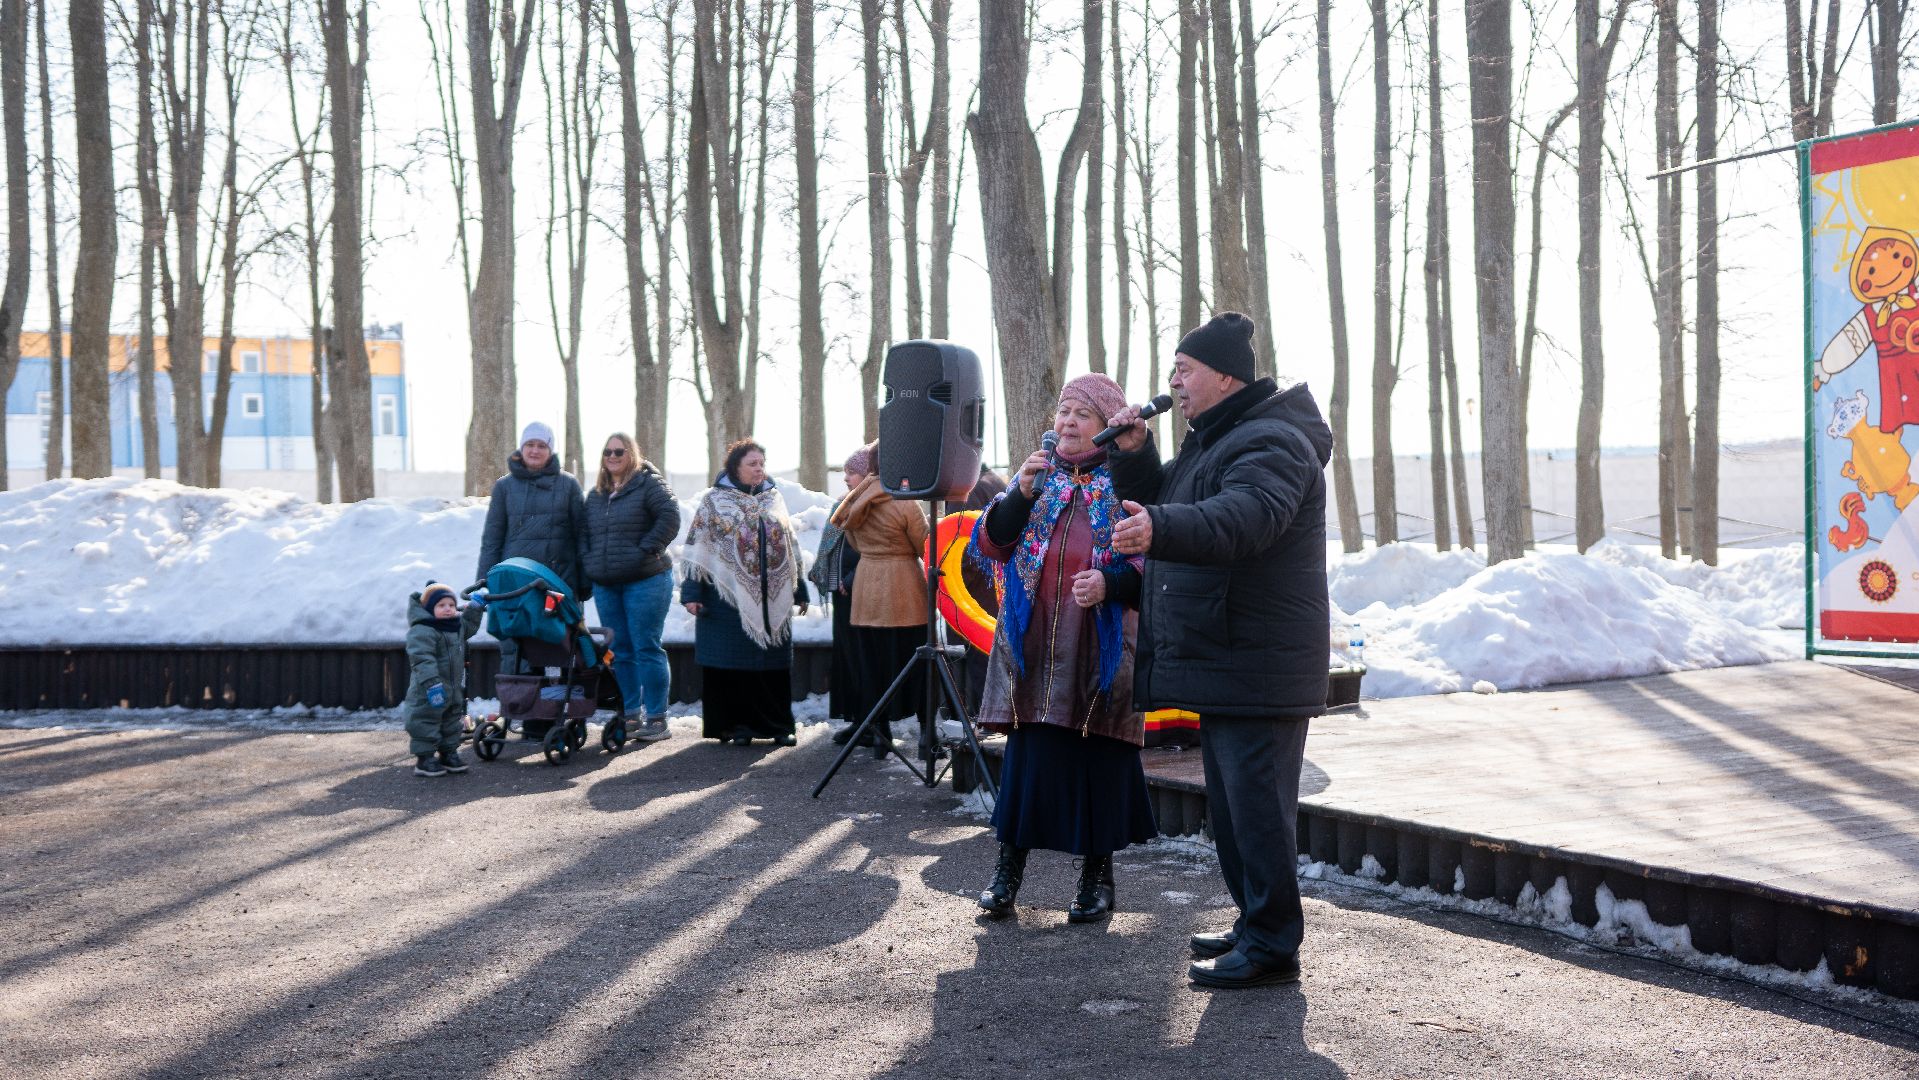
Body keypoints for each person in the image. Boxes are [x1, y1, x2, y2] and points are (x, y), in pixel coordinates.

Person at [1107, 311, 1334, 990]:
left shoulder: (1271, 441)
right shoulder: (1218, 441)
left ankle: (1271, 945)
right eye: (1173, 371)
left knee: (1257, 812)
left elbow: (1244, 518)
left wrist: (1159, 526)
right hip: (1229, 653)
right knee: (1235, 812)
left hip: (1257, 657)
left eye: (1185, 370)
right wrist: (1135, 453)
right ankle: (1255, 922)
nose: (1173, 382)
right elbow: (1167, 502)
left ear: (1226, 376)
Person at [970, 373, 1157, 923]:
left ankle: (1097, 878)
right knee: (1029, 762)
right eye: (1063, 411)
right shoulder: (1038, 478)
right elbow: (993, 543)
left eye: (1083, 414)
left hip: (1100, 645)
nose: (1068, 422)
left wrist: (1110, 583)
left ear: (1106, 428)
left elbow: (1153, 565)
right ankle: (1007, 871)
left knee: (1098, 757)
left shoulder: (1125, 485)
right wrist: (1020, 493)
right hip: (1033, 643)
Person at [680, 439, 811, 747]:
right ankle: (736, 727)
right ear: (735, 467)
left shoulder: (773, 498)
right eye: (752, 464)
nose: (759, 469)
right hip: (725, 598)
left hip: (771, 599)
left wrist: (800, 590)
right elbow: (697, 549)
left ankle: (778, 726)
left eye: (762, 463)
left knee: (772, 665)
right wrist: (692, 593)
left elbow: (789, 547)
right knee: (733, 664)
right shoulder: (714, 502)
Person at [829, 441, 931, 745]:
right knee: (918, 664)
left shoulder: (855, 500)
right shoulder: (904, 500)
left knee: (871, 667)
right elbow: (923, 545)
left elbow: (854, 542)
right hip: (903, 589)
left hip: (866, 590)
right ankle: (927, 734)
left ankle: (879, 732)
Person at [583, 432, 682, 743]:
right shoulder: (596, 495)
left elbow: (670, 516)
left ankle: (657, 719)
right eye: (607, 451)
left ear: (632, 454)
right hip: (607, 585)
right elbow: (584, 533)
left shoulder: (648, 483)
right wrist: (589, 560)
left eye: (619, 451)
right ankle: (630, 714)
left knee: (646, 647)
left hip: (646, 580)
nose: (612, 456)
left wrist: (645, 549)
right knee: (621, 651)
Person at [477, 422, 591, 679]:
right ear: (521, 448)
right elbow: (492, 539)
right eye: (530, 444)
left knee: (564, 647)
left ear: (550, 450)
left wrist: (584, 581)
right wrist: (485, 581)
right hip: (515, 586)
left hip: (558, 585)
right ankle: (519, 698)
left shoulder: (568, 485)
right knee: (516, 649)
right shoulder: (505, 487)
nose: (535, 450)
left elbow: (581, 536)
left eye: (541, 445)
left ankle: (567, 701)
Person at [810, 445, 871, 745]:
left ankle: (868, 724)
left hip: (861, 591)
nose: (846, 478)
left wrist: (852, 576)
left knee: (862, 659)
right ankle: (857, 720)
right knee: (848, 660)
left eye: (852, 472)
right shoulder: (844, 504)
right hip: (842, 593)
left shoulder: (870, 505)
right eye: (845, 472)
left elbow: (874, 548)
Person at [405, 581, 486, 777]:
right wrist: (432, 684)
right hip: (428, 688)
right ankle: (424, 759)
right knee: (426, 720)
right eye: (441, 605)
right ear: (428, 608)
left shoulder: (455, 626)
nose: (448, 609)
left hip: (452, 687)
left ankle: (448, 753)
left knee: (451, 720)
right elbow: (422, 659)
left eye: (451, 605)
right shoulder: (423, 630)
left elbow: (469, 626)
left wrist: (475, 608)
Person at [960, 463, 1010, 716]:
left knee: (978, 658)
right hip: (995, 583)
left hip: (976, 590)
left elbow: (965, 545)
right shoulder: (994, 481)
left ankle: (983, 718)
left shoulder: (968, 490)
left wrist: (954, 585)